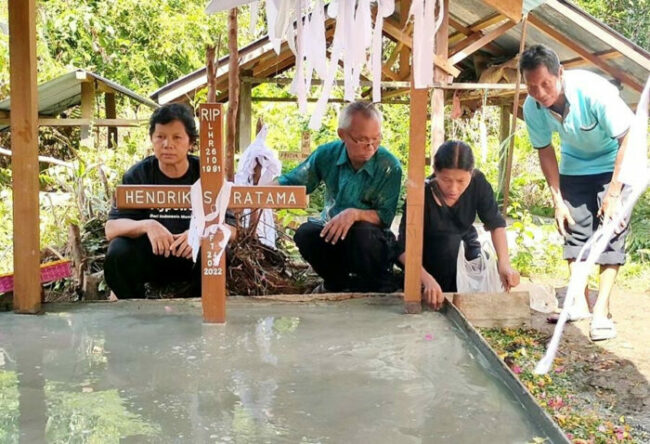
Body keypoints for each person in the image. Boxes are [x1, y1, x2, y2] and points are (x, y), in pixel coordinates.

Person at [520, 44, 634, 341]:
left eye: (546, 84)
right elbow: (545, 152)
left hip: (617, 161)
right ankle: (579, 303)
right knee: (573, 229)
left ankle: (602, 312)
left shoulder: (594, 92)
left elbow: (630, 140)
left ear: (561, 74)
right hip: (576, 164)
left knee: (612, 230)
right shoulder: (532, 108)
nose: (541, 93)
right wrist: (558, 201)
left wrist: (613, 193)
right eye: (533, 87)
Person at [275, 101, 402, 292]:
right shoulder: (327, 154)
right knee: (306, 233)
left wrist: (355, 214)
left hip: (370, 241)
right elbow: (294, 182)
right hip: (333, 231)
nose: (370, 146)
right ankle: (336, 283)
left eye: (376, 139)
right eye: (362, 140)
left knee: (363, 233)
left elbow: (385, 217)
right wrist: (260, 191)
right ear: (342, 135)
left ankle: (378, 285)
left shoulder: (389, 166)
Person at [396, 141, 520, 309]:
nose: (453, 188)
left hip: (466, 249)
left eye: (461, 181)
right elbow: (403, 249)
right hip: (428, 260)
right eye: (446, 180)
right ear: (435, 172)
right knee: (448, 244)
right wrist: (427, 280)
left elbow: (495, 223)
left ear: (471, 173)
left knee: (485, 264)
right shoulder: (420, 195)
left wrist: (504, 264)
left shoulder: (478, 183)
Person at [104, 103, 201, 299]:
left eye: (177, 137)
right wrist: (148, 225)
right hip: (151, 257)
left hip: (191, 258)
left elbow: (230, 229)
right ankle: (134, 309)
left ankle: (198, 306)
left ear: (190, 142)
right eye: (161, 137)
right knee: (118, 251)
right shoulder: (138, 174)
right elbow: (111, 228)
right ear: (152, 139)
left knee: (218, 247)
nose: (168, 144)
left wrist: (198, 233)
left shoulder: (206, 174)